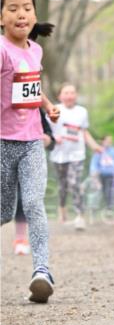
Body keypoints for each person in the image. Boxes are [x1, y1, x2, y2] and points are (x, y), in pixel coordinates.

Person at [0, 0, 60, 301]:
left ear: (34, 15)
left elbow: (31, 87)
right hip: (1, 144)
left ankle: (42, 272)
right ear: (0, 17)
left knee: (35, 203)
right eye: (12, 8)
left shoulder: (34, 50)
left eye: (27, 7)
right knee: (4, 212)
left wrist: (47, 106)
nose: (21, 13)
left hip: (32, 141)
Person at [50, 82, 101, 229]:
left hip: (77, 154)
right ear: (60, 96)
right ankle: (62, 210)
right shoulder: (54, 109)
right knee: (62, 185)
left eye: (72, 93)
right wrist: (53, 138)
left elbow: (84, 132)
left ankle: (80, 216)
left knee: (75, 183)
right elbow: (46, 129)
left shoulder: (82, 111)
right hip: (59, 154)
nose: (69, 96)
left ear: (76, 95)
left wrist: (94, 146)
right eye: (66, 93)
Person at [14, 109, 54, 255]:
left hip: (31, 161)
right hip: (5, 159)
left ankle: (21, 239)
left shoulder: (35, 108)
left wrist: (46, 139)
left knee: (27, 200)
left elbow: (50, 139)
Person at [90, 135, 114, 209]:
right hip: (101, 175)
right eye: (107, 140)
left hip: (111, 175)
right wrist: (94, 172)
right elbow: (94, 164)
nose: (108, 142)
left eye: (110, 141)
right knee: (101, 191)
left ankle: (110, 207)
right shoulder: (99, 151)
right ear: (103, 141)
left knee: (109, 191)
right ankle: (100, 207)